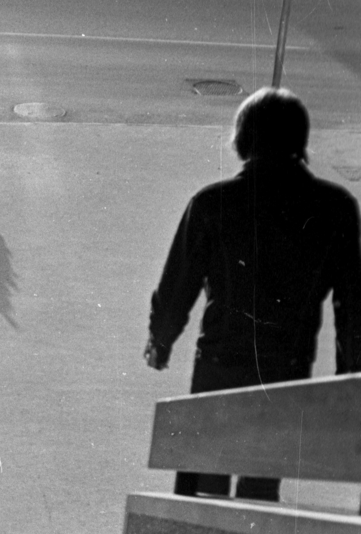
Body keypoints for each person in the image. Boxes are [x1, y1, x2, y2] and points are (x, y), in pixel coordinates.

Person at [146, 86, 361, 502]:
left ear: (244, 139)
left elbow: (178, 283)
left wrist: (161, 339)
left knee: (204, 493)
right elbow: (353, 303)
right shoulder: (335, 208)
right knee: (259, 498)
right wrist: (350, 374)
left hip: (218, 368)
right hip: (286, 370)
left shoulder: (212, 203)